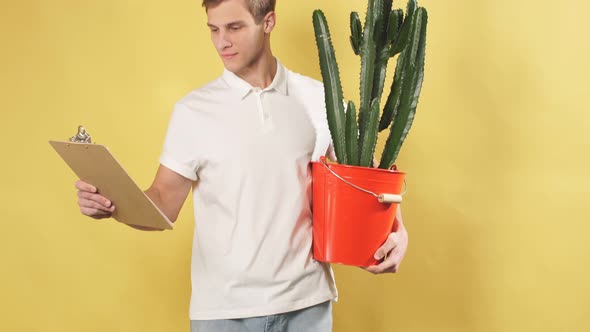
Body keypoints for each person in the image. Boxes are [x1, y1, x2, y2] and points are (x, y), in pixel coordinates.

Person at [74, 0, 409, 331]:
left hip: (307, 306)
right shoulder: (193, 111)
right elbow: (163, 200)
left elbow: (363, 176)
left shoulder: (319, 99)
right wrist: (112, 204)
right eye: (214, 29)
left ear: (268, 22)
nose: (222, 41)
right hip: (223, 313)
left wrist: (397, 231)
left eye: (234, 27)